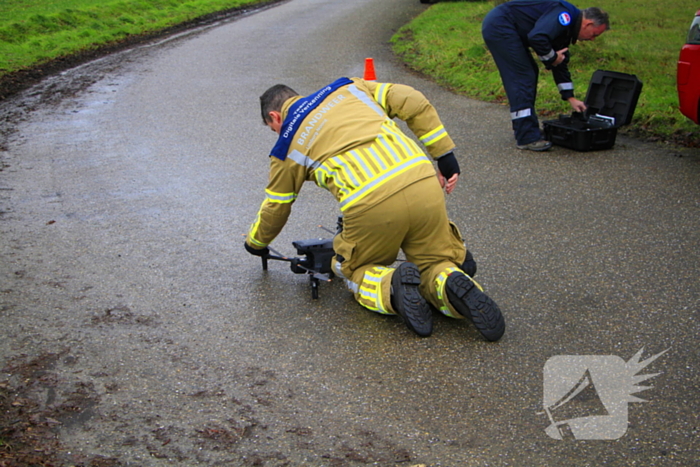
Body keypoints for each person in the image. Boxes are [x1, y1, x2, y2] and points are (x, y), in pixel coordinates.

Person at [244, 77, 505, 340]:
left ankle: (391, 287)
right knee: (434, 261)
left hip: (369, 203)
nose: (276, 133)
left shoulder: (285, 148)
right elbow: (413, 100)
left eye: (272, 128)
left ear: (275, 117)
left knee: (355, 269)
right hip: (422, 181)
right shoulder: (349, 87)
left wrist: (255, 243)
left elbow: (276, 206)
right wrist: (444, 154)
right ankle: (449, 283)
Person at [482, 1, 610, 151]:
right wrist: (552, 58)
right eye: (594, 34)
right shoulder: (565, 16)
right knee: (523, 76)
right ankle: (526, 137)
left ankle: (527, 131)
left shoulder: (567, 28)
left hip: (506, 26)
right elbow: (538, 38)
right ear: (587, 24)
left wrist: (571, 97)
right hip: (500, 25)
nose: (592, 39)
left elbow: (560, 64)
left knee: (528, 73)